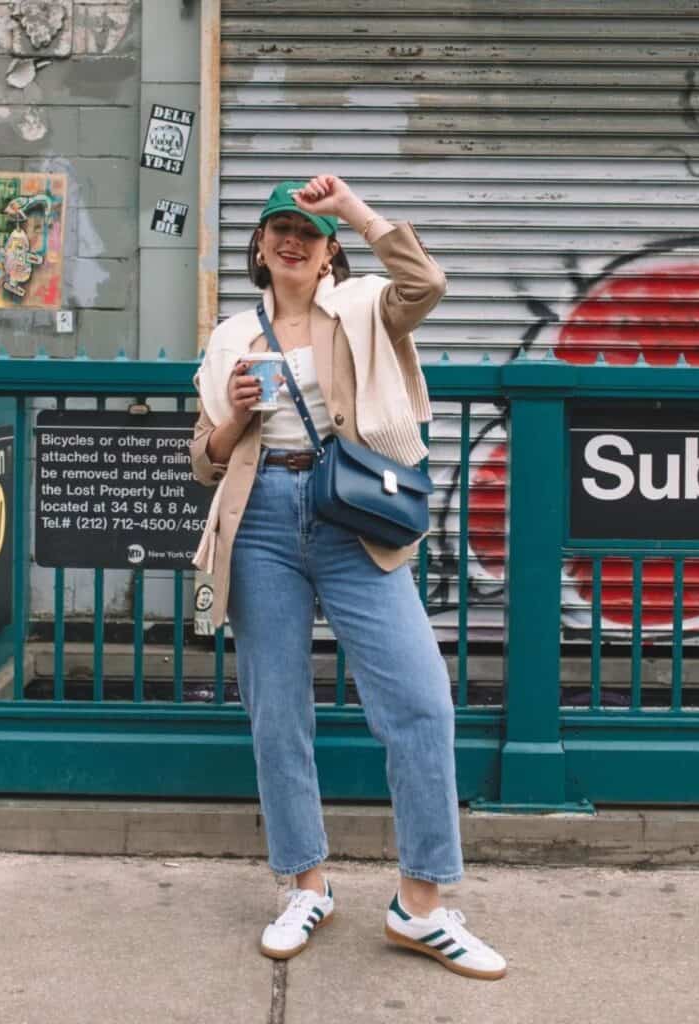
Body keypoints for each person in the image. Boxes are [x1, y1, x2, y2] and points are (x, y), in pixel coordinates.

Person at [189, 175, 506, 981]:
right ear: (258, 248)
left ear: (327, 248)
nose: (291, 239)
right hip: (258, 519)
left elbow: (424, 283)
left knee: (419, 703)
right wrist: (232, 414)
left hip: (352, 516)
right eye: (277, 229)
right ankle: (305, 884)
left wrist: (354, 210)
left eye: (306, 229)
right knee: (277, 711)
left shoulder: (364, 304)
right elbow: (204, 462)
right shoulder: (230, 335)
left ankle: (421, 906)